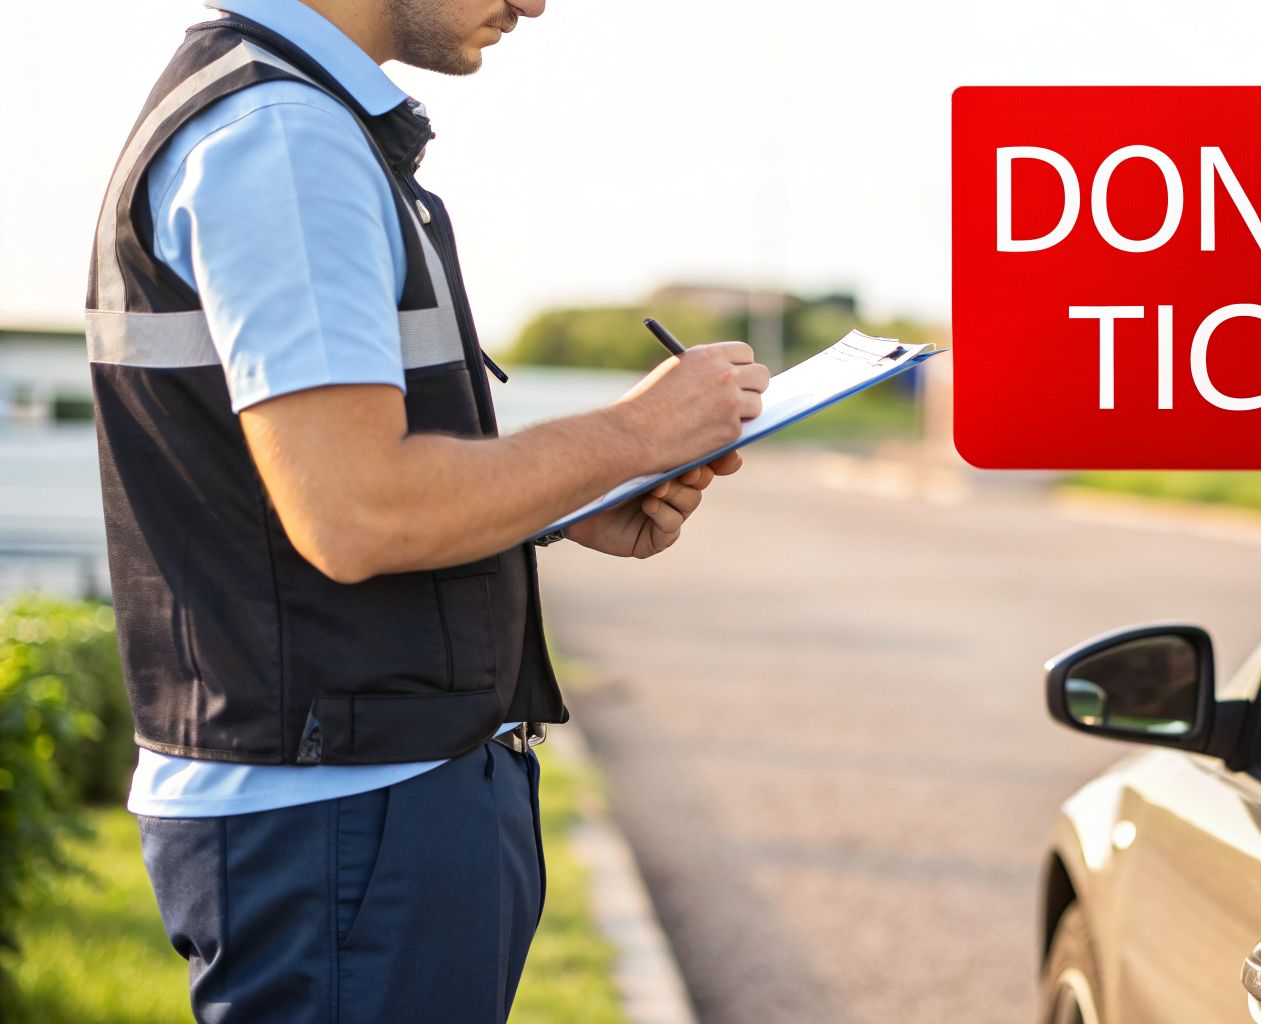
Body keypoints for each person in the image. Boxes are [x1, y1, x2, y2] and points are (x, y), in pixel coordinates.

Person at [84, 1, 767, 1020]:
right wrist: (635, 437)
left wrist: (565, 496)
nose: (535, 1)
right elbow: (358, 511)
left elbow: (306, 485)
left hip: (349, 809)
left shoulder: (278, 116)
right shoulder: (282, 136)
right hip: (346, 816)